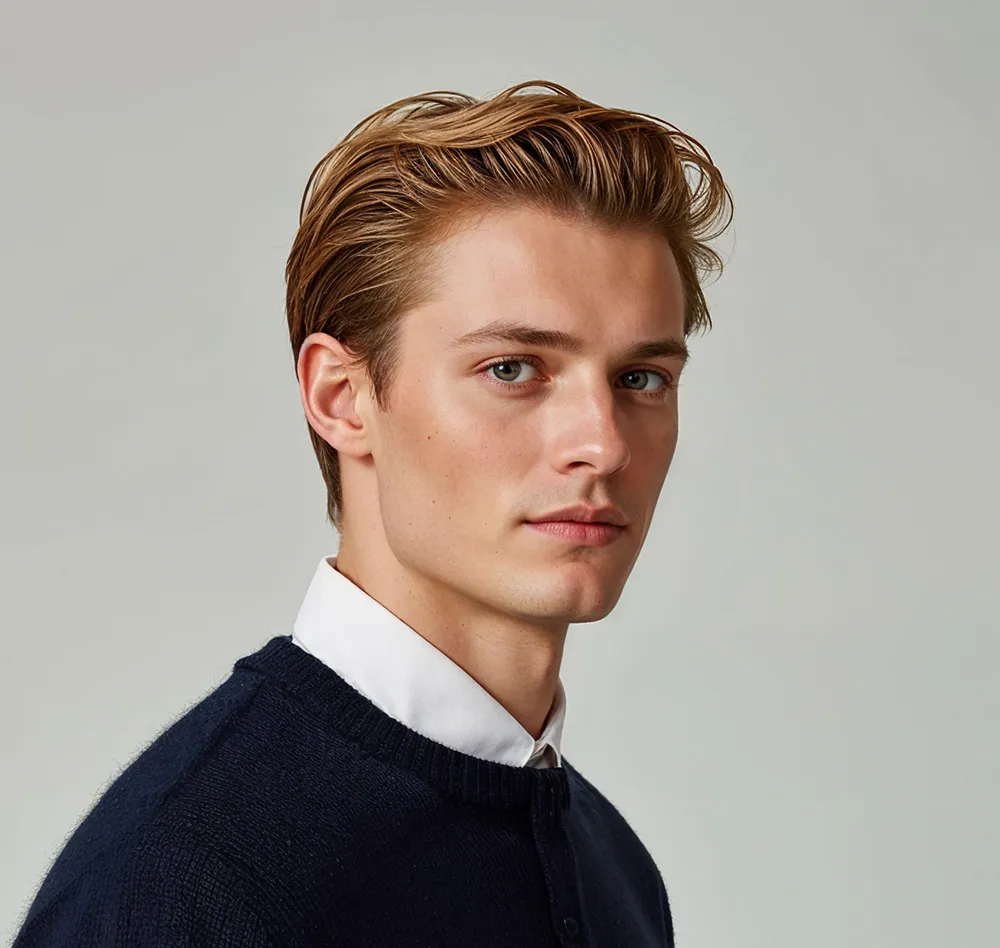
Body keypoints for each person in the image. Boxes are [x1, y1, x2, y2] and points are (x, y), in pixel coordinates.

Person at [12, 79, 733, 947]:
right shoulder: (179, 886)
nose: (603, 444)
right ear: (342, 398)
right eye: (512, 369)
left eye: (641, 378)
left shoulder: (612, 866)